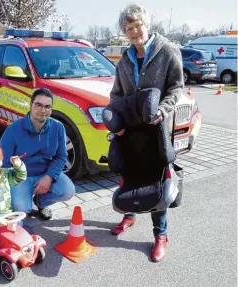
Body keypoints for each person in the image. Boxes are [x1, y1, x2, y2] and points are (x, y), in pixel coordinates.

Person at [109, 4, 184, 262]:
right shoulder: (125, 59)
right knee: (130, 174)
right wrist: (116, 118)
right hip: (131, 132)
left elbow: (177, 88)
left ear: (146, 24)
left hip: (158, 130)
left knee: (156, 180)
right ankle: (129, 214)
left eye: (136, 26)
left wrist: (163, 110)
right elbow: (116, 95)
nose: (133, 32)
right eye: (128, 29)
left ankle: (160, 235)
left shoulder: (167, 51)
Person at [0, 88, 75, 220]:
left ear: (51, 109)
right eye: (38, 105)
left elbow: (61, 156)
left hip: (45, 172)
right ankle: (23, 200)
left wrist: (49, 177)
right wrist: (7, 190)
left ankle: (41, 202)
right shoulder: (13, 129)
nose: (43, 110)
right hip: (21, 177)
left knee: (68, 191)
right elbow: (4, 162)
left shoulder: (58, 127)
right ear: (31, 105)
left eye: (47, 106)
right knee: (22, 209)